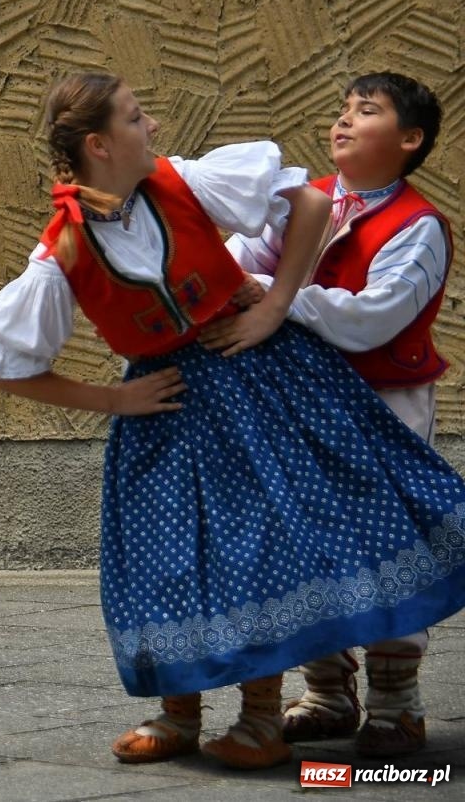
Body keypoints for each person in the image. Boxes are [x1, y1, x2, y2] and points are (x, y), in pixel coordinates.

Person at [0, 73, 465, 770]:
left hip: (257, 383)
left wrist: (271, 306)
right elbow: (8, 366)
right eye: (137, 117)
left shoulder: (186, 181)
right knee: (164, 555)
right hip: (166, 403)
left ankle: (270, 716)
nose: (152, 127)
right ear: (99, 144)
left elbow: (304, 202)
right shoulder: (64, 249)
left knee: (262, 545)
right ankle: (179, 711)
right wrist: (115, 401)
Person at [225, 72, 454, 757]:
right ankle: (326, 691)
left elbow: (371, 320)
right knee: (299, 541)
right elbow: (243, 262)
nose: (343, 122)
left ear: (409, 139)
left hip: (383, 403)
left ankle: (397, 705)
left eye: (367, 111)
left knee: (389, 544)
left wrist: (268, 292)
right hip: (298, 400)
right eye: (342, 110)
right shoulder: (307, 200)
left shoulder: (419, 226)